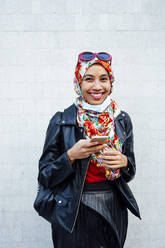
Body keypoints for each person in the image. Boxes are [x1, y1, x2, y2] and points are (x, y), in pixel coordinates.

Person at [37, 52, 141, 248]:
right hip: (72, 210)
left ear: (111, 83)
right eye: (89, 79)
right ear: (79, 82)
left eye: (103, 79)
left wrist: (124, 162)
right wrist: (71, 156)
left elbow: (130, 170)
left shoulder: (121, 119)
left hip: (112, 207)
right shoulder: (61, 120)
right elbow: (45, 176)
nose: (97, 86)